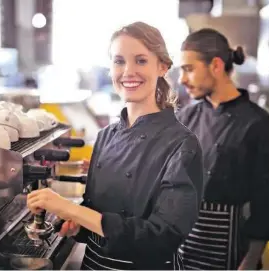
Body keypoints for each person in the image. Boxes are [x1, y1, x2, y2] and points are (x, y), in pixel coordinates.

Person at [27, 21, 204, 270]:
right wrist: (77, 225)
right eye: (119, 61)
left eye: (141, 60)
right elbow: (97, 213)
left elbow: (162, 237)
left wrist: (69, 208)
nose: (128, 71)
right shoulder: (105, 136)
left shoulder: (182, 145)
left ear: (162, 67)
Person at [176, 28, 269, 270]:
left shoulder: (259, 126)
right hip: (183, 252)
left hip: (232, 255)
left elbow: (268, 203)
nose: (182, 79)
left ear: (215, 65)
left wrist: (250, 261)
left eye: (189, 69)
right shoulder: (184, 118)